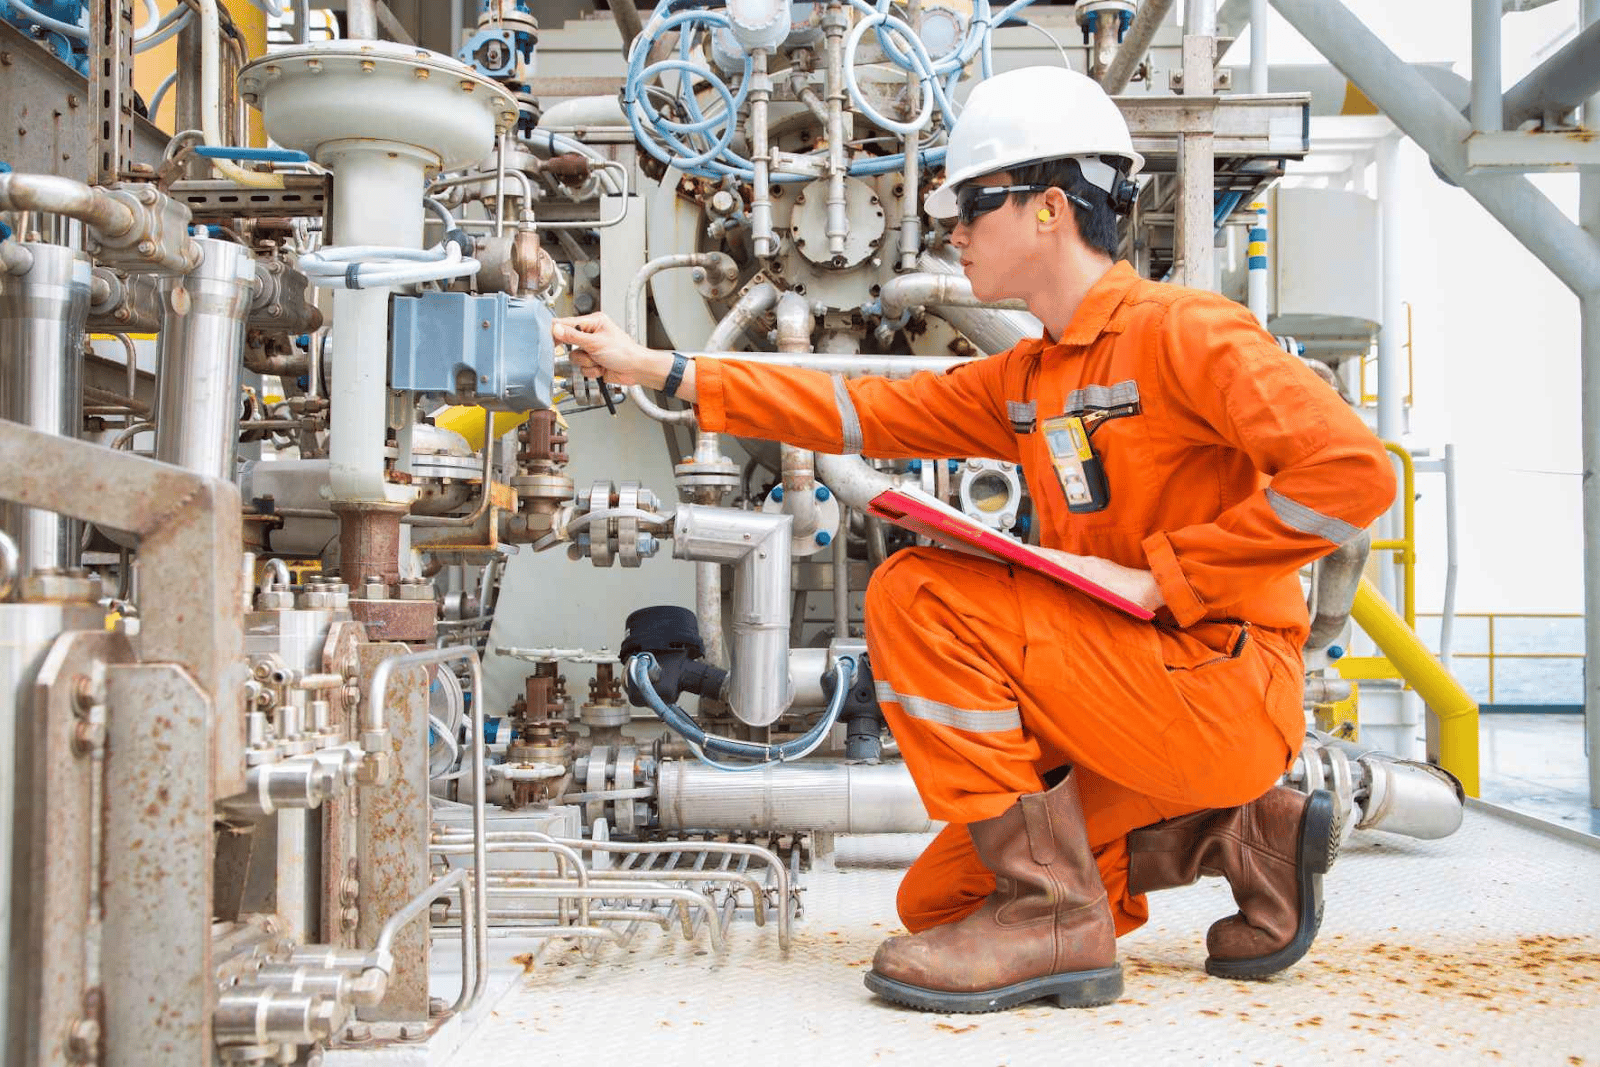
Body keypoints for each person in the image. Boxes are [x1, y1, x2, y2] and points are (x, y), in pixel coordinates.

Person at [552, 65, 1396, 1014]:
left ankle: (1056, 915)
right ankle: (1241, 831)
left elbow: (1354, 475)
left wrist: (1171, 577)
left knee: (919, 595)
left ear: (1047, 208)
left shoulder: (1186, 332)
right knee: (938, 899)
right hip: (1131, 694)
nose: (952, 232)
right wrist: (663, 369)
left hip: (1219, 685)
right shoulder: (1029, 379)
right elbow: (857, 405)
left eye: (971, 206)